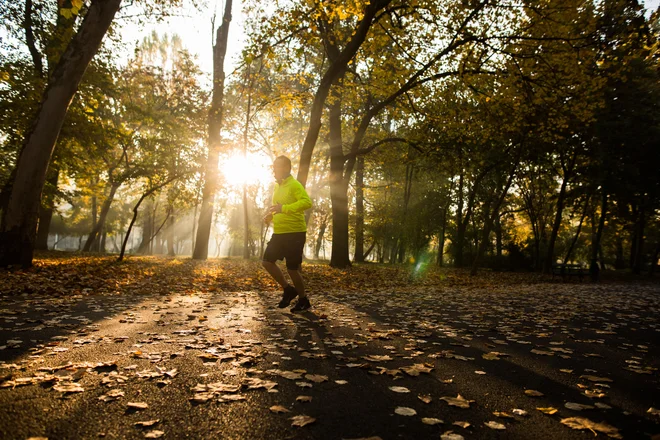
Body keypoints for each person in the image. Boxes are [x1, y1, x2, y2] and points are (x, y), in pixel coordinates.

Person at [262, 156, 313, 312]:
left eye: (276, 167)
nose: (273, 170)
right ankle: (288, 289)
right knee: (267, 261)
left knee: (292, 269)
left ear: (286, 168)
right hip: (280, 232)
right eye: (273, 167)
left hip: (295, 232)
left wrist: (283, 208)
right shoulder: (277, 186)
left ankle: (303, 300)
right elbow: (278, 207)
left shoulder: (294, 185)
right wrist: (271, 215)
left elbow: (307, 202)